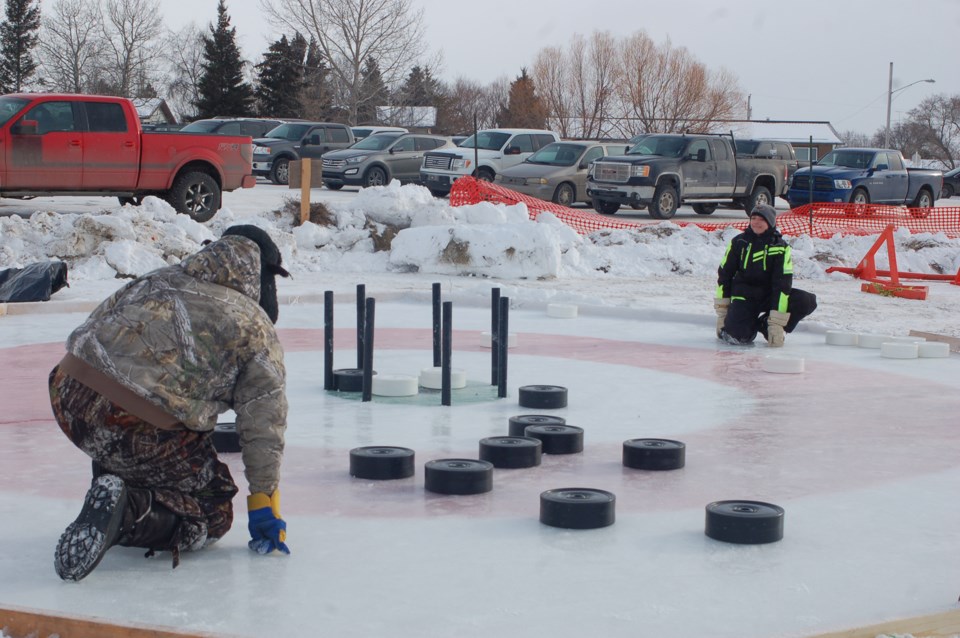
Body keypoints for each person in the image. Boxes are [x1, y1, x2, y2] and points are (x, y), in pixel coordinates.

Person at [49, 225, 292, 582]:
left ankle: (114, 479)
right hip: (134, 422)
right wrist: (263, 500)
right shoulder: (255, 327)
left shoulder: (158, 278)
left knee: (155, 422)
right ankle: (129, 511)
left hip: (67, 392)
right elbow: (263, 425)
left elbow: (97, 329)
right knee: (213, 507)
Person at [714, 204, 817, 346]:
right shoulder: (739, 242)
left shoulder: (780, 247)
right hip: (744, 297)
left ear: (770, 222)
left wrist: (776, 323)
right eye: (753, 218)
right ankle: (745, 325)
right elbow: (724, 275)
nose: (756, 222)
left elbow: (782, 284)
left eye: (761, 219)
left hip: (769, 296)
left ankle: (765, 325)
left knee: (806, 301)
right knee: (738, 338)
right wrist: (722, 312)